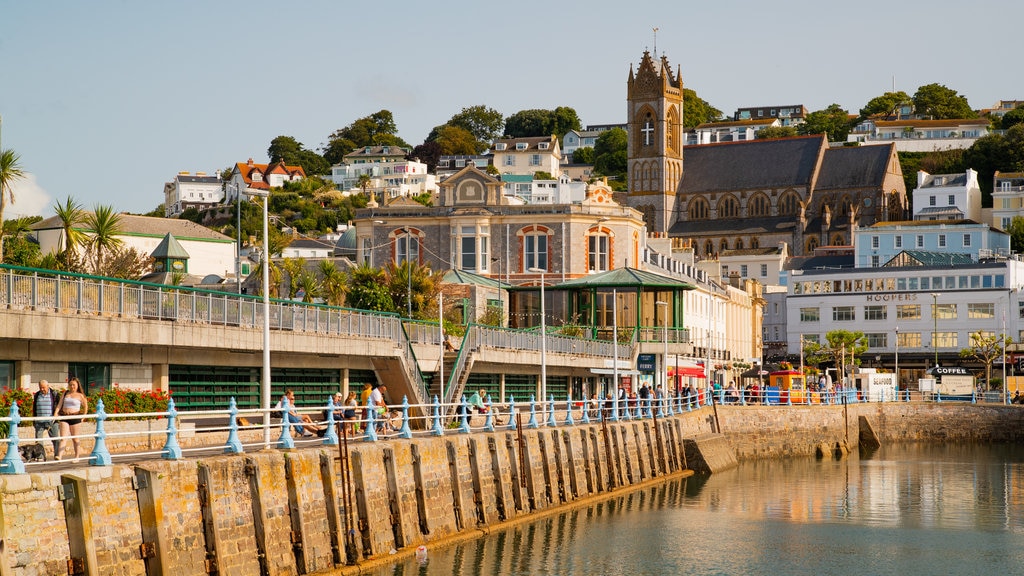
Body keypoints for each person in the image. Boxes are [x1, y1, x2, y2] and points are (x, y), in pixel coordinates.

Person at [55, 377, 88, 460]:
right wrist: (55, 414)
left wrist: (83, 417)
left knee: (75, 438)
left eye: (73, 385)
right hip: (65, 416)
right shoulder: (66, 393)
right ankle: (59, 456)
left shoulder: (80, 395)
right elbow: (59, 404)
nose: (72, 386)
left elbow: (85, 407)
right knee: (63, 438)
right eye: (70, 385)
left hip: (75, 417)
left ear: (77, 385)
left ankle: (77, 456)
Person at [32, 380, 61, 460]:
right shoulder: (37, 395)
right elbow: (34, 407)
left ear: (48, 386)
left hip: (51, 421)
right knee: (39, 440)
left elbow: (59, 406)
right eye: (40, 387)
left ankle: (57, 455)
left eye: (43, 387)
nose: (42, 389)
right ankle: (40, 456)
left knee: (55, 439)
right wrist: (34, 420)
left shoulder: (54, 394)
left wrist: (56, 417)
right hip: (39, 421)